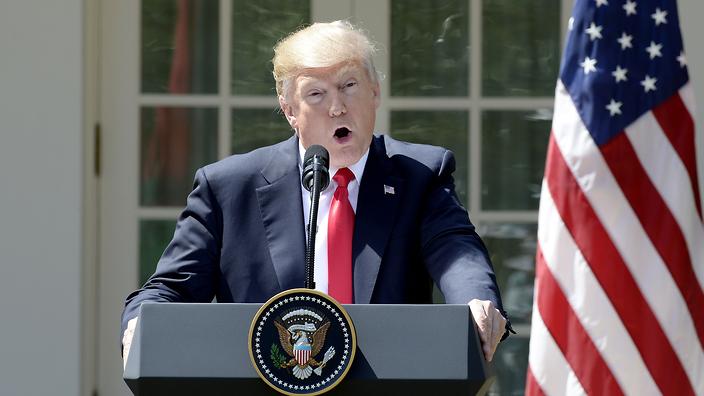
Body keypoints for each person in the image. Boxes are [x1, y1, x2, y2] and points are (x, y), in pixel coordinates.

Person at [122, 20, 511, 368]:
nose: (338, 107)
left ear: (375, 92)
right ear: (289, 109)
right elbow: (170, 288)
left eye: (349, 86)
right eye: (316, 95)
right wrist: (141, 320)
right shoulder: (228, 187)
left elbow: (456, 250)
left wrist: (476, 300)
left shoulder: (420, 174)